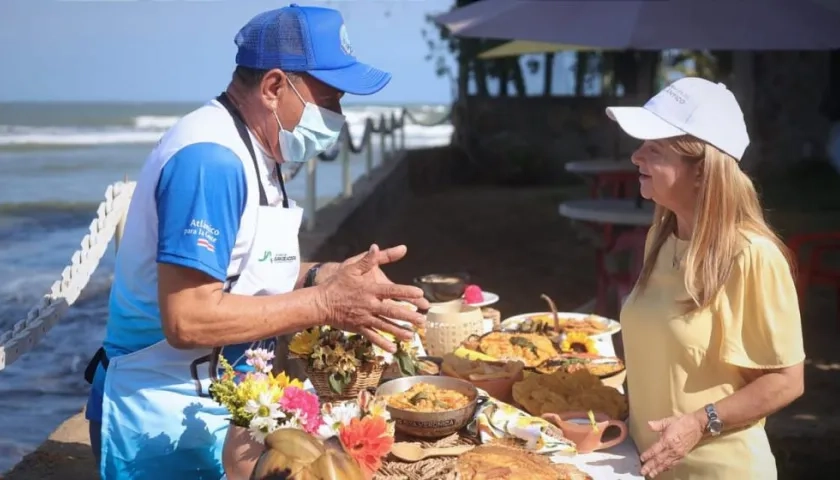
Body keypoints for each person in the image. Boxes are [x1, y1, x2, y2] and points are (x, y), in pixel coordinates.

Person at [83, 4, 429, 478]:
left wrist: (319, 275)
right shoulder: (211, 161)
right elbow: (188, 317)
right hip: (161, 422)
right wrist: (325, 303)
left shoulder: (257, 150)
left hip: (220, 405)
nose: (338, 116)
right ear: (273, 87)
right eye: (329, 99)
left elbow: (242, 265)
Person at [608, 77, 805, 479]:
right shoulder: (660, 238)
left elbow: (787, 381)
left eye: (654, 149)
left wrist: (700, 421)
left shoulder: (752, 256)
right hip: (647, 464)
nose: (635, 157)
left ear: (701, 172)